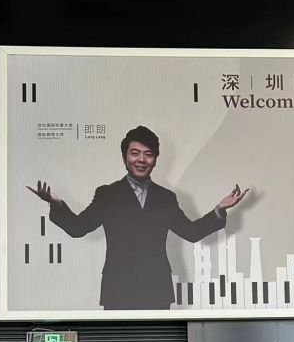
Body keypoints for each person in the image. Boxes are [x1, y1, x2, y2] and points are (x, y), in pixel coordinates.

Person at [28, 125, 248, 310]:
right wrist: (56, 204)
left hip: (157, 291)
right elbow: (78, 228)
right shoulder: (107, 194)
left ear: (155, 160)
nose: (141, 159)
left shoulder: (165, 198)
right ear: (125, 157)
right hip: (118, 291)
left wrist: (220, 209)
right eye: (135, 153)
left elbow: (191, 233)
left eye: (148, 154)